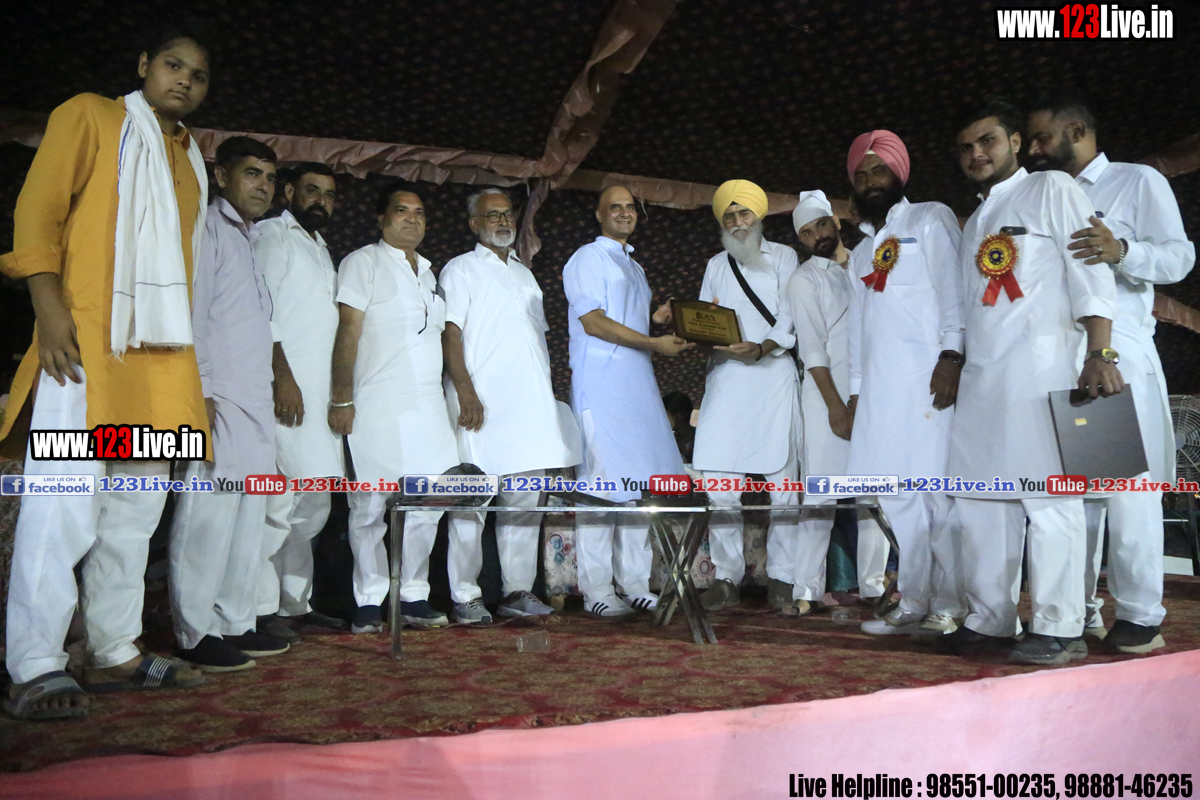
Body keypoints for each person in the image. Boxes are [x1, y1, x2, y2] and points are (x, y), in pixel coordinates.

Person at [1, 28, 211, 719]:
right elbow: (37, 211)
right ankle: (34, 663)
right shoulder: (90, 116)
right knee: (62, 506)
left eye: (198, 75)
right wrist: (48, 309)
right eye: (173, 65)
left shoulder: (190, 158)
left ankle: (114, 648)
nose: (184, 80)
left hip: (162, 367)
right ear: (144, 65)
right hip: (86, 351)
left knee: (134, 513)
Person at [945, 98, 1121, 665]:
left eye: (987, 141)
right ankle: (989, 620)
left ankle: (1059, 626)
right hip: (982, 380)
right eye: (966, 148)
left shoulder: (1052, 189)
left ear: (1016, 142)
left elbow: (1090, 271)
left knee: (1049, 500)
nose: (976, 154)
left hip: (1044, 370)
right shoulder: (975, 220)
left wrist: (1100, 353)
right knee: (981, 501)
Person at [1027, 91, 1195, 654]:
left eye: (1042, 136)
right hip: (1060, 358)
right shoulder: (1041, 195)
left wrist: (1121, 249)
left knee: (1126, 491)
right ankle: (1078, 611)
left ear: (1077, 130)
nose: (1032, 148)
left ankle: (1141, 615)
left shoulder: (1135, 181)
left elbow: (1179, 258)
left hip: (1115, 356)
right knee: (1077, 493)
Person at [169, 136, 287, 671]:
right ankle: (194, 632)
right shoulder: (208, 228)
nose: (263, 186)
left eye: (269, 177)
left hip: (254, 398)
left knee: (247, 517)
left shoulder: (251, 238)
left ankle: (236, 621)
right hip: (217, 396)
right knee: (208, 516)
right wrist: (201, 390)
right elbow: (193, 316)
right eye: (251, 173)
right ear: (222, 176)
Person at [844, 130, 967, 639]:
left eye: (879, 170)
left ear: (899, 173)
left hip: (928, 380)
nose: (871, 181)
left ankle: (951, 605)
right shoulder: (859, 253)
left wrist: (952, 354)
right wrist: (856, 391)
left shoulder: (929, 218)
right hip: (879, 390)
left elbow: (954, 290)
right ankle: (914, 599)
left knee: (936, 496)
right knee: (896, 498)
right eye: (861, 175)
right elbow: (857, 330)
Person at [441, 188, 579, 623]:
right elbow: (450, 333)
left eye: (507, 215)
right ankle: (465, 596)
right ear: (473, 224)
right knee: (472, 502)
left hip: (529, 408)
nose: (502, 222)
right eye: (492, 215)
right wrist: (465, 390)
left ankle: (517, 591)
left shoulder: (524, 274)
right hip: (480, 405)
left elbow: (535, 343)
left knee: (524, 504)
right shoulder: (460, 269)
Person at [330, 184, 459, 632]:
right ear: (381, 218)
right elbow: (347, 332)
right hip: (376, 399)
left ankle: (412, 595)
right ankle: (369, 600)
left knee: (429, 502)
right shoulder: (363, 262)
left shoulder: (429, 273)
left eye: (419, 212)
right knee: (370, 505)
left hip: (428, 404)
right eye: (401, 210)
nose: (412, 219)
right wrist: (341, 397)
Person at [562, 184, 693, 617]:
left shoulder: (633, 266)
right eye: (614, 207)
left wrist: (656, 320)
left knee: (639, 487)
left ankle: (635, 583)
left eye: (629, 207)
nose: (623, 213)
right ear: (599, 215)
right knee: (601, 489)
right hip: (602, 386)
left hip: (637, 387)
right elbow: (594, 322)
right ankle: (598, 590)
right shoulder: (588, 257)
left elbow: (625, 320)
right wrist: (654, 343)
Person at [692, 180, 802, 614]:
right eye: (729, 217)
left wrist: (763, 347)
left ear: (759, 217)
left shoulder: (785, 257)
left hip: (773, 377)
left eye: (744, 214)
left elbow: (792, 315)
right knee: (720, 483)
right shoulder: (715, 264)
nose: (738, 223)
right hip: (726, 379)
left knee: (783, 487)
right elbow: (704, 316)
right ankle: (725, 578)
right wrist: (695, 331)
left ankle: (783, 578)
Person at [253, 162, 348, 640]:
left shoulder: (320, 246)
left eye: (328, 195)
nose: (321, 201)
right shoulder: (273, 234)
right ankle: (257, 609)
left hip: (319, 395)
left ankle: (294, 603)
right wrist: (281, 378)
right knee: (278, 506)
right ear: (288, 191)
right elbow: (260, 308)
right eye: (312, 191)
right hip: (286, 391)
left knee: (313, 506)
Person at [786, 190, 889, 613]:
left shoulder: (869, 261)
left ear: (836, 222)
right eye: (806, 233)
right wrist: (836, 407)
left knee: (874, 493)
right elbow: (812, 350)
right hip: (827, 397)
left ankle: (874, 586)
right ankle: (805, 591)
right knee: (821, 496)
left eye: (821, 225)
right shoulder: (804, 280)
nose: (817, 236)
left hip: (875, 392)